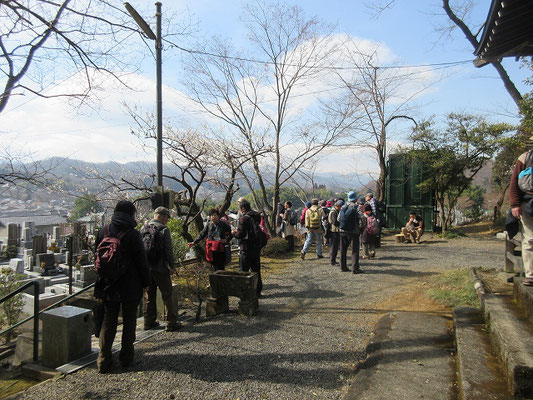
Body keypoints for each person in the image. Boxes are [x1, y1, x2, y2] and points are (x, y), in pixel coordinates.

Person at [94, 200, 151, 373]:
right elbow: (142, 261)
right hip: (130, 285)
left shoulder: (103, 231)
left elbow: (97, 256)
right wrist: (146, 282)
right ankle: (126, 358)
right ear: (131, 214)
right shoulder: (133, 234)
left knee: (109, 321)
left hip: (108, 284)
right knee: (129, 321)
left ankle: (103, 359)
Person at [142, 206, 181, 332]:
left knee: (149, 295)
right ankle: (171, 322)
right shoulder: (164, 229)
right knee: (167, 294)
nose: (167, 221)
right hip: (161, 268)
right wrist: (172, 266)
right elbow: (168, 250)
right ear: (162, 217)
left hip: (147, 268)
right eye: (167, 218)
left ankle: (148, 322)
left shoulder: (144, 228)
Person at [510, 145, 533, 286]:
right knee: (530, 240)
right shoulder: (524, 158)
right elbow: (514, 183)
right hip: (528, 204)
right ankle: (531, 275)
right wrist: (515, 204)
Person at [232, 200, 263, 296]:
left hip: (245, 248)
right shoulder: (256, 216)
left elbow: (240, 235)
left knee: (244, 271)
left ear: (243, 209)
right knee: (256, 270)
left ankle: (245, 293)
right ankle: (257, 292)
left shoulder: (243, 219)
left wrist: (234, 232)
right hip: (256, 247)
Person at [339, 191, 364, 273]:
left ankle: (342, 267)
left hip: (342, 230)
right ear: (355, 198)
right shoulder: (356, 207)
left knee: (343, 249)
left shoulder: (343, 206)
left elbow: (338, 219)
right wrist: (361, 226)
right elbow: (362, 218)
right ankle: (355, 268)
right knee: (354, 250)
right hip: (354, 231)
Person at [328, 200, 342, 266]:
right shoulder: (334, 212)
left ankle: (333, 260)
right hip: (334, 231)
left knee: (335, 247)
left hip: (335, 230)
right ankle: (332, 261)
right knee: (334, 246)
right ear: (338, 206)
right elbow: (334, 222)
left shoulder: (335, 211)